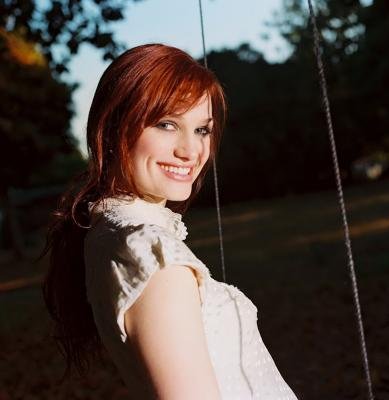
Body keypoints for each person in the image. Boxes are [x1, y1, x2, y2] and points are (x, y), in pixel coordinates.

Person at [41, 43, 298, 399]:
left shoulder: (110, 231)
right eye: (167, 124)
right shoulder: (150, 253)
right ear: (114, 128)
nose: (190, 151)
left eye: (202, 130)